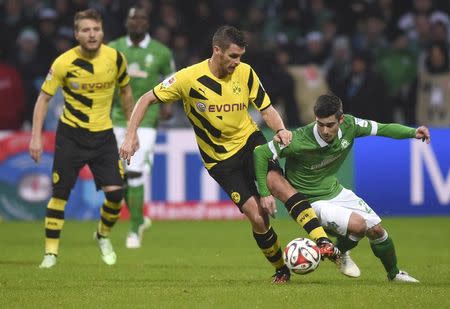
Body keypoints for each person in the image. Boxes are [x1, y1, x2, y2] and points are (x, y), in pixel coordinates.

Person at [120, 25, 338, 283]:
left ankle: (322, 241)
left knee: (277, 184)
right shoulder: (189, 78)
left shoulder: (245, 73)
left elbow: (266, 108)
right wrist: (131, 135)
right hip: (220, 160)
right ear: (217, 51)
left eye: (241, 56)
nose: (238, 62)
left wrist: (280, 129)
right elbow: (146, 98)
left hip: (250, 142)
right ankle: (281, 268)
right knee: (257, 217)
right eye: (233, 56)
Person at [254, 94, 430, 282]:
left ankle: (393, 274)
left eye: (330, 125)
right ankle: (338, 252)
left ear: (341, 119)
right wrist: (264, 193)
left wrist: (413, 133)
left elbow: (383, 128)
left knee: (377, 230)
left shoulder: (351, 125)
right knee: (359, 225)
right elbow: (261, 153)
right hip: (309, 203)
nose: (325, 130)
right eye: (320, 124)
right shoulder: (297, 139)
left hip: (334, 191)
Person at [29, 9, 133, 268]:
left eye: (95, 29)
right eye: (85, 30)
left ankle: (102, 235)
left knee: (116, 194)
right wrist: (36, 137)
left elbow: (127, 93)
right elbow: (43, 99)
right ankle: (50, 254)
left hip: (103, 136)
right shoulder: (63, 62)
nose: (92, 34)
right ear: (76, 34)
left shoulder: (115, 59)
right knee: (59, 194)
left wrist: (131, 132)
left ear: (102, 32)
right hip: (71, 136)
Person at [109, 5, 175, 249]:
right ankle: (140, 218)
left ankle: (134, 229)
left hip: (146, 120)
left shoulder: (161, 52)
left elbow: (172, 80)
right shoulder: (114, 48)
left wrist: (168, 105)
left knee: (134, 170)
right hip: (115, 117)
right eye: (133, 18)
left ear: (148, 23)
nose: (137, 22)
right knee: (119, 176)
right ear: (127, 22)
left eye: (142, 19)